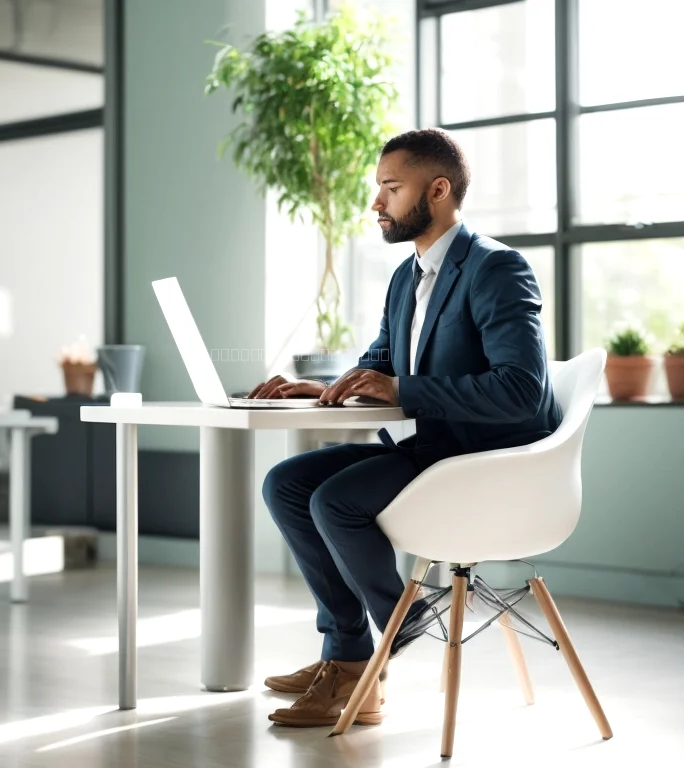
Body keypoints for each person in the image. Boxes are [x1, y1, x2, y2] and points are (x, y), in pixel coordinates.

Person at [250, 128, 562, 727]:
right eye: (379, 189)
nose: (377, 203)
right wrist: (329, 388)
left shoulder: (497, 268)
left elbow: (522, 391)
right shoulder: (405, 276)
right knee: (285, 484)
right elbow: (385, 361)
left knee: (335, 500)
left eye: (391, 188)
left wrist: (402, 390)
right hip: (429, 450)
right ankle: (348, 652)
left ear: (438, 190)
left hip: (478, 463)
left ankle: (386, 635)